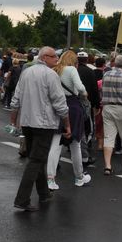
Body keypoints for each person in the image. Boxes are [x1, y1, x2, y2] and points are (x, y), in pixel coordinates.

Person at [10, 47, 70, 212]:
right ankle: (22, 199)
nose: (56, 59)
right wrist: (67, 123)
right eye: (54, 56)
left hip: (28, 122)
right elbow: (59, 102)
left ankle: (44, 193)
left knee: (37, 157)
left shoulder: (26, 72)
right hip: (44, 124)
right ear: (44, 57)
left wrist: (14, 120)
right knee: (36, 160)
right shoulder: (51, 75)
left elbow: (16, 98)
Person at [45, 51, 91, 190]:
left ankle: (50, 179)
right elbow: (80, 87)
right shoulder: (71, 70)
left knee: (56, 143)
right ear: (74, 60)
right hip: (72, 107)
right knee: (75, 143)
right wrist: (84, 94)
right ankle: (79, 177)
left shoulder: (55, 70)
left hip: (57, 106)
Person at [100, 55, 122, 175]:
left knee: (109, 137)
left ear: (114, 64)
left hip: (108, 107)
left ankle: (108, 166)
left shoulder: (106, 75)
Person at [76, 51, 100, 167]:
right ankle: (86, 151)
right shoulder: (90, 72)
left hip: (73, 102)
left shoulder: (73, 70)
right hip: (86, 103)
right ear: (86, 60)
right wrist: (97, 104)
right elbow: (94, 89)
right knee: (87, 128)